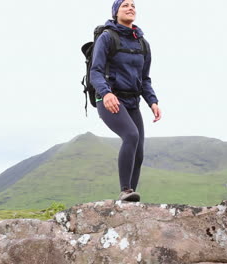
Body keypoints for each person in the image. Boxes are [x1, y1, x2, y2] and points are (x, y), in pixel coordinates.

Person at [90, 0, 162, 202]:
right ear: (116, 12)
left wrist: (152, 102)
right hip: (109, 99)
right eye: (125, 5)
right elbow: (95, 72)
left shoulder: (142, 44)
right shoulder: (107, 37)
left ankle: (129, 200)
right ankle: (125, 190)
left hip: (132, 102)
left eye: (133, 5)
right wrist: (106, 93)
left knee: (138, 152)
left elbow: (145, 79)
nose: (131, 8)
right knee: (131, 135)